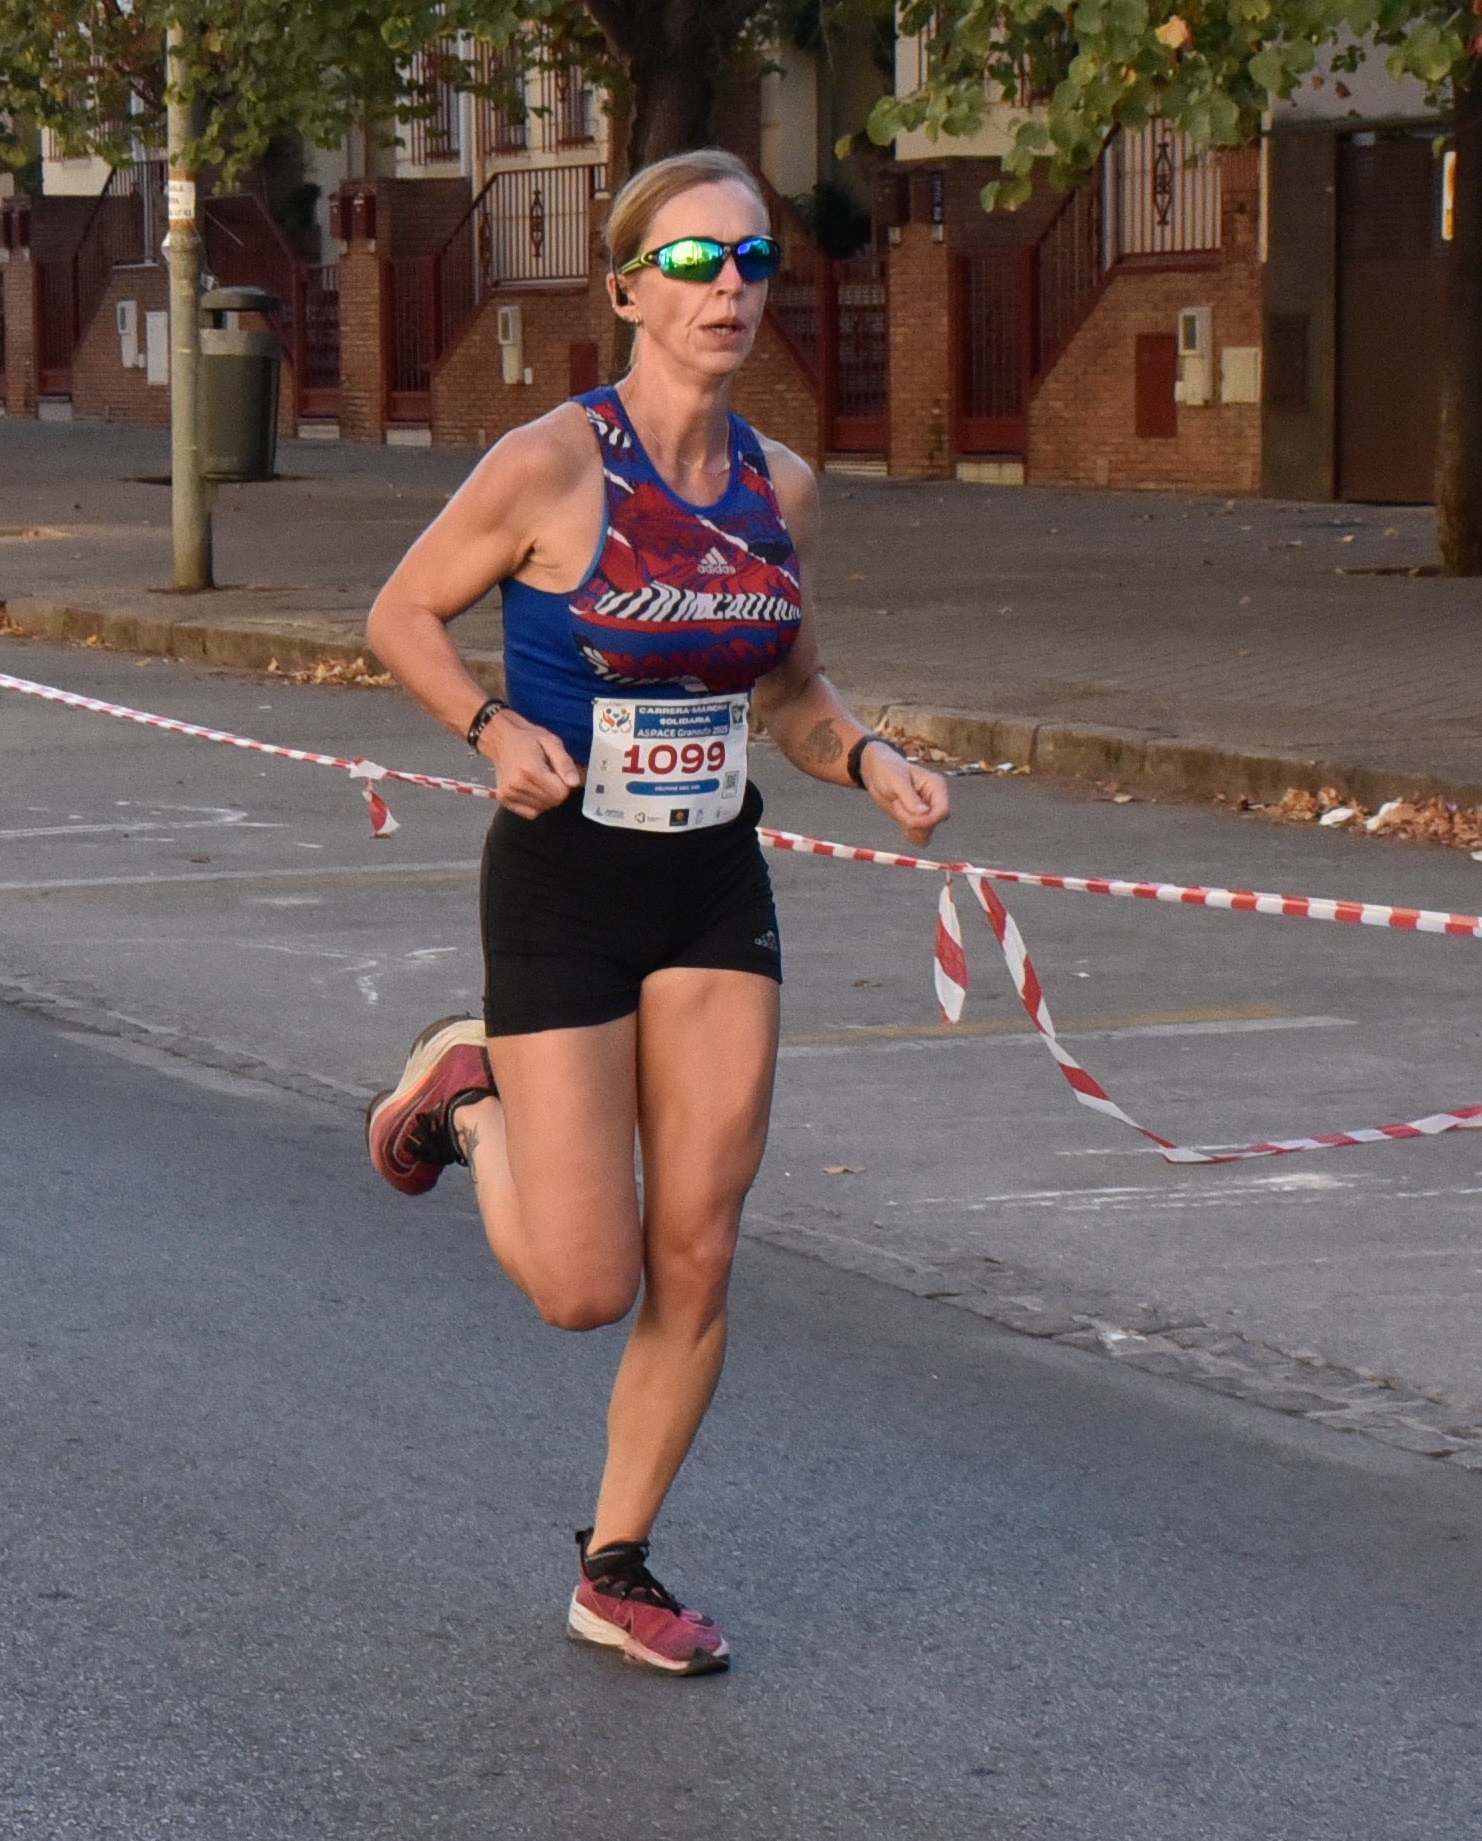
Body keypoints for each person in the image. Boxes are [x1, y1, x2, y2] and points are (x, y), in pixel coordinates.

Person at [359, 148, 951, 1677]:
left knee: (699, 1247)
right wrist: (490, 725)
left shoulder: (781, 488)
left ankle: (616, 1565)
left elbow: (793, 690)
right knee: (584, 1282)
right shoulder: (553, 465)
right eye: (691, 263)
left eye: (751, 261)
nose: (726, 289)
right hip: (563, 882)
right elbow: (400, 611)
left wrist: (870, 758)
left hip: (709, 885)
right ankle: (468, 1097)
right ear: (626, 289)